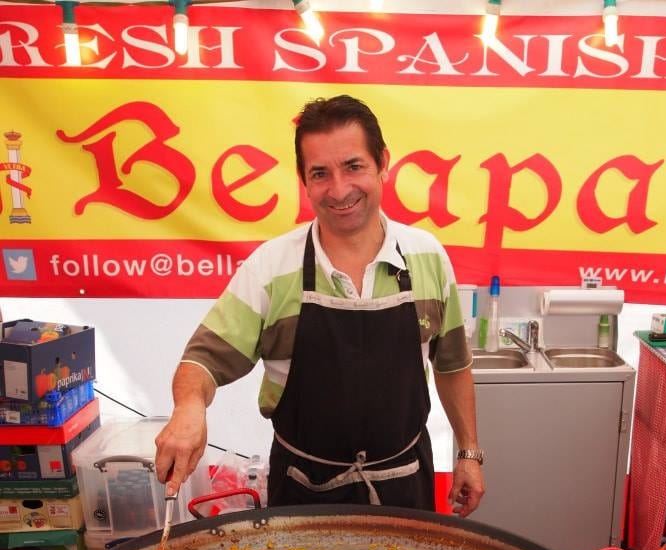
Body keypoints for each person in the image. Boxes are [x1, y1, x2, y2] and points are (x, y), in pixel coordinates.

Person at [155, 94, 485, 517]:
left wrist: (469, 453)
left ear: (382, 162)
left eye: (353, 166)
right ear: (304, 180)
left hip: (405, 486)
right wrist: (188, 408)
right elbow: (201, 361)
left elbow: (453, 365)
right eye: (320, 173)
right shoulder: (272, 268)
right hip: (303, 493)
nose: (340, 189)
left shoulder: (427, 257)